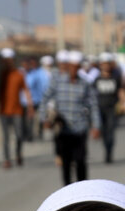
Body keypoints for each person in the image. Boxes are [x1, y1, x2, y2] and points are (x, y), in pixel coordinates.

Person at [42, 51, 101, 185]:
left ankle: (82, 190)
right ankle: (67, 191)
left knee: (80, 161)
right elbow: (45, 98)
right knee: (66, 162)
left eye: (76, 66)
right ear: (68, 66)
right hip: (64, 130)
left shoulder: (85, 84)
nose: (73, 69)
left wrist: (96, 126)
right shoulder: (57, 83)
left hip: (80, 129)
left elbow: (94, 106)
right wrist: (44, 119)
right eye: (71, 66)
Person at [0, 48, 31, 169]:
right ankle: (6, 159)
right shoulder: (0, 75)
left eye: (9, 60)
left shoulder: (19, 74)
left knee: (19, 135)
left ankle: (18, 154)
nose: (7, 62)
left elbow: (26, 90)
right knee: (6, 136)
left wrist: (30, 106)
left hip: (17, 110)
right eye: (5, 60)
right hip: (3, 111)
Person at [93, 52, 124, 163]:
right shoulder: (96, 79)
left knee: (111, 131)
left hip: (112, 109)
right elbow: (92, 95)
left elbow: (121, 91)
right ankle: (106, 149)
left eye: (108, 64)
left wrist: (122, 103)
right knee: (104, 131)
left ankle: (109, 152)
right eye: (103, 64)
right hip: (100, 108)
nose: (106, 66)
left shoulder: (115, 78)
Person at [26, 56, 53, 141]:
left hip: (49, 99)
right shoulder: (37, 73)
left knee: (47, 116)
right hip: (38, 98)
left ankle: (43, 132)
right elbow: (30, 84)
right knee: (35, 117)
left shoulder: (53, 73)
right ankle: (32, 134)